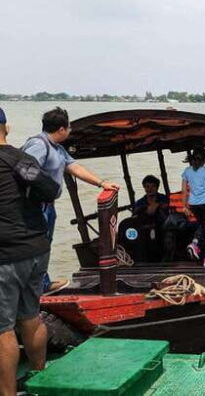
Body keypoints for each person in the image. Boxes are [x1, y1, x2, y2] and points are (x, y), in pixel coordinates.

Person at [22, 107, 119, 293]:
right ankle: (37, 286)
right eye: (68, 128)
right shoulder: (39, 145)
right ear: (61, 129)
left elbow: (74, 167)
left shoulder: (57, 149)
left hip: (48, 206)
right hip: (36, 206)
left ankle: (41, 283)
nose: (70, 131)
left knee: (45, 244)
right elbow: (25, 171)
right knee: (37, 244)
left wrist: (101, 183)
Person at [0, 108, 60, 396]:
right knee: (30, 318)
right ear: (7, 129)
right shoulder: (21, 159)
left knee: (2, 330)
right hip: (37, 250)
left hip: (6, 256)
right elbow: (51, 190)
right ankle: (39, 382)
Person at [181, 148, 205, 267]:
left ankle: (195, 243)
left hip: (193, 204)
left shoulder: (187, 171)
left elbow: (184, 191)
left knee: (202, 224)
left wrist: (185, 206)